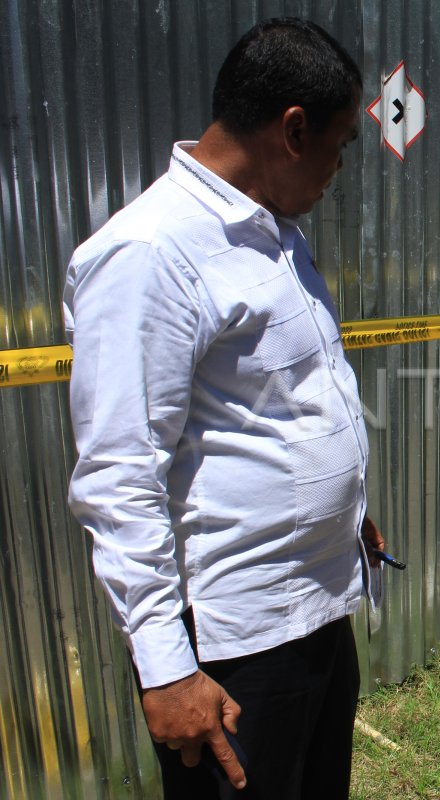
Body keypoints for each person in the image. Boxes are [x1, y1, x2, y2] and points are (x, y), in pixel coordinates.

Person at [63, 18, 383, 799]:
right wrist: (168, 670)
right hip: (238, 652)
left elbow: (280, 402)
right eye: (342, 146)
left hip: (316, 612)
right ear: (294, 130)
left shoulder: (275, 231)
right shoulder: (149, 255)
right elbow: (120, 473)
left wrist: (344, 513)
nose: (341, 169)